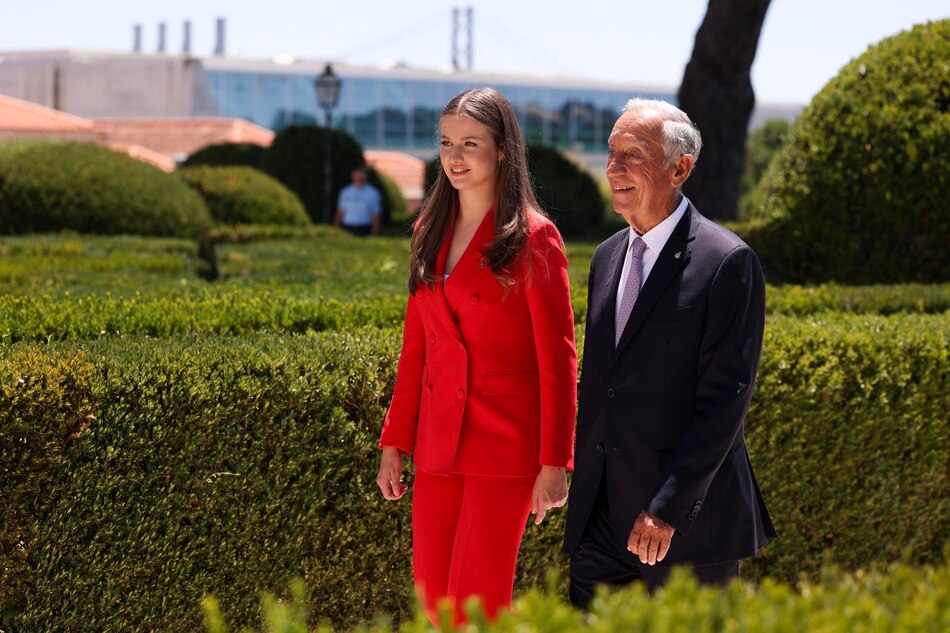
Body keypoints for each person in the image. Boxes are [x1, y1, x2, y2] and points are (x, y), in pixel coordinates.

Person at [375, 87, 577, 625]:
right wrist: (395, 439)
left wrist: (554, 462)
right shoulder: (426, 230)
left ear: (504, 149)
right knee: (433, 604)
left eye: (471, 143)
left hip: (505, 449)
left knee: (478, 607)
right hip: (438, 445)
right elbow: (416, 347)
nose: (455, 157)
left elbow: (558, 360)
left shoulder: (536, 238)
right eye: (446, 143)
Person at [564, 98, 775, 608]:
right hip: (599, 522)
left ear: (679, 168)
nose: (614, 169)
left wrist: (667, 508)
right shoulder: (606, 256)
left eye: (632, 155)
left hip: (684, 529)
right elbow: (602, 384)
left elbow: (725, 403)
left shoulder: (728, 262)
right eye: (611, 154)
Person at [334, 164, 382, 236]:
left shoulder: (373, 193)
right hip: (347, 227)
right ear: (352, 175)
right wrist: (336, 229)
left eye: (362, 174)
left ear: (366, 176)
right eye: (357, 174)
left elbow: (376, 214)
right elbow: (340, 211)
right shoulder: (345, 191)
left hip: (364, 227)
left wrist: (374, 234)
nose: (359, 177)